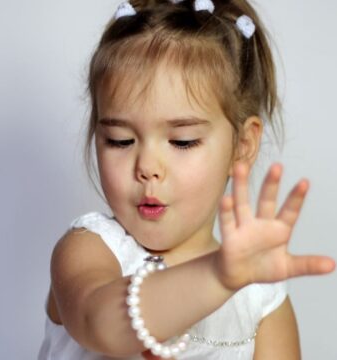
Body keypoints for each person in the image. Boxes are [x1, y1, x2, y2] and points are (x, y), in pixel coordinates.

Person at [38, 0, 336, 359]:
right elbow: (101, 324)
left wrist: (232, 276)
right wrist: (217, 276)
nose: (147, 166)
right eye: (120, 140)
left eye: (182, 141)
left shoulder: (260, 298)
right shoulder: (91, 249)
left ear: (242, 145)